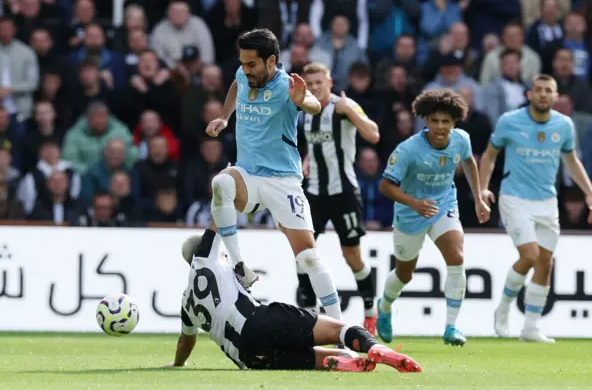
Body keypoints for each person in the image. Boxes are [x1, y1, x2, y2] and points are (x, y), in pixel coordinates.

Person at [205, 29, 343, 322]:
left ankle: (341, 329)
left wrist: (302, 100)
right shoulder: (244, 76)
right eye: (242, 63)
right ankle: (240, 266)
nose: (246, 70)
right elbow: (235, 84)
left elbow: (315, 106)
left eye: (252, 64)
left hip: (283, 181)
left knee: (308, 257)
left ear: (271, 61)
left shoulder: (287, 85)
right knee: (222, 182)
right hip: (249, 177)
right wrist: (224, 116)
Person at [165, 229, 422, 373]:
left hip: (248, 359)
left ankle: (343, 360)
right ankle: (377, 348)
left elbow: (186, 339)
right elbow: (218, 213)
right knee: (339, 330)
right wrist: (231, 177)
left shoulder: (187, 301)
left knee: (315, 359)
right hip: (259, 321)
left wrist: (179, 363)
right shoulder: (208, 258)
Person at [478, 74, 592, 343]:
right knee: (531, 255)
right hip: (514, 197)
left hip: (547, 201)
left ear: (556, 97)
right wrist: (483, 188)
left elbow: (571, 161)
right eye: (539, 90)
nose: (543, 95)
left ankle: (530, 328)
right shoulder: (510, 121)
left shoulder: (564, 125)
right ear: (529, 94)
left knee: (546, 262)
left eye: (549, 91)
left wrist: (589, 191)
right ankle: (504, 309)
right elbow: (489, 155)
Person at [376, 89, 491, 346]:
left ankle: (451, 327)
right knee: (405, 274)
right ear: (425, 121)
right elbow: (385, 186)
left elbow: (470, 162)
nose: (440, 127)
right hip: (410, 213)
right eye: (434, 121)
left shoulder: (461, 140)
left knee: (457, 257)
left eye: (446, 121)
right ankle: (383, 306)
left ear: (454, 122)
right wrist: (414, 203)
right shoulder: (407, 150)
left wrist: (479, 197)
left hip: (444, 205)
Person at [296, 62, 380, 334]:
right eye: (310, 84)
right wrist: (308, 159)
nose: (316, 87)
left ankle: (370, 311)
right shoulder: (305, 112)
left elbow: (373, 134)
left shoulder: (344, 107)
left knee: (352, 255)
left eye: (320, 82)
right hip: (315, 193)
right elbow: (315, 142)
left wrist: (350, 112)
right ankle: (308, 317)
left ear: (329, 82)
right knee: (304, 254)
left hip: (344, 192)